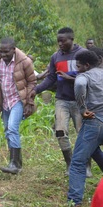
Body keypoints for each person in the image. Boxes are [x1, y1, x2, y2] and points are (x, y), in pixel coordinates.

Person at [29, 27, 89, 176]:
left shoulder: (82, 54)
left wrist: (70, 78)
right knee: (60, 131)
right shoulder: (55, 57)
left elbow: (90, 77)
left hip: (80, 101)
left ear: (72, 39)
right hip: (62, 100)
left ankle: (86, 165)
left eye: (63, 41)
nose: (60, 44)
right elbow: (51, 78)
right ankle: (69, 164)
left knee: (83, 134)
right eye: (58, 41)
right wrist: (36, 90)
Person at [0, 37, 36, 174]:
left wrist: (29, 102)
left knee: (12, 128)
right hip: (5, 101)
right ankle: (16, 163)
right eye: (1, 52)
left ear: (13, 49)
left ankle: (15, 163)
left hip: (18, 100)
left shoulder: (24, 61)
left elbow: (32, 82)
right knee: (7, 130)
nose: (3, 55)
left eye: (6, 52)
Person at [67, 50, 103, 207]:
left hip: (94, 122)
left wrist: (82, 109)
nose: (77, 69)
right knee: (92, 148)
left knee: (78, 163)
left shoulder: (85, 76)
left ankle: (75, 205)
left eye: (79, 66)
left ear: (87, 65)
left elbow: (80, 84)